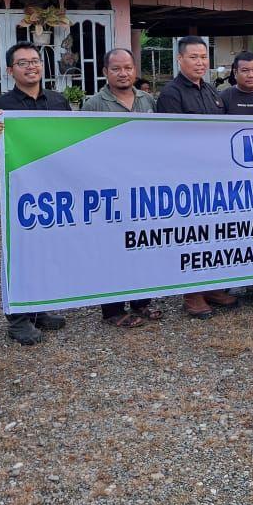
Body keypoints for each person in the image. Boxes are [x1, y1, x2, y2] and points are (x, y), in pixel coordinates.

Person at [0, 42, 70, 345]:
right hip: (20, 190)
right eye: (22, 63)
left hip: (54, 187)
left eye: (35, 61)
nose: (31, 67)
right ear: (10, 70)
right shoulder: (0, 105)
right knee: (20, 252)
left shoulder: (58, 101)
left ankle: (41, 308)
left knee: (50, 250)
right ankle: (18, 319)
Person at [155, 36, 239, 320]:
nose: (201, 62)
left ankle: (212, 286)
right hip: (188, 178)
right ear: (180, 59)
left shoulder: (211, 91)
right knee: (192, 237)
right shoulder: (171, 94)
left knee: (215, 234)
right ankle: (192, 293)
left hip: (216, 175)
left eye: (204, 56)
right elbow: (171, 140)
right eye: (194, 57)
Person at [81, 48, 164, 327]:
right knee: (111, 248)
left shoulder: (147, 100)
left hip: (142, 186)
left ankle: (142, 302)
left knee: (141, 244)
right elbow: (84, 146)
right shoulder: (94, 104)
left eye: (128, 67)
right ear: (105, 72)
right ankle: (113, 309)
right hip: (110, 188)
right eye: (116, 68)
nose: (123, 73)